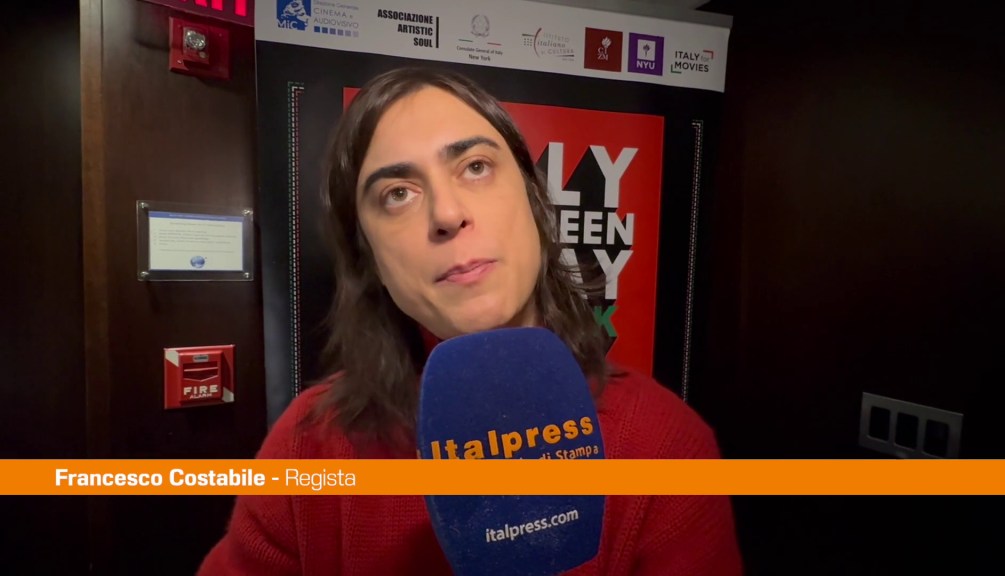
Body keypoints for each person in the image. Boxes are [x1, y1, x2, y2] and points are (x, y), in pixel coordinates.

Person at [199, 67, 742, 575]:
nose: (446, 213)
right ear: (370, 259)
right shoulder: (306, 448)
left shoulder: (666, 447)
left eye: (476, 167)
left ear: (535, 203)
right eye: (397, 194)